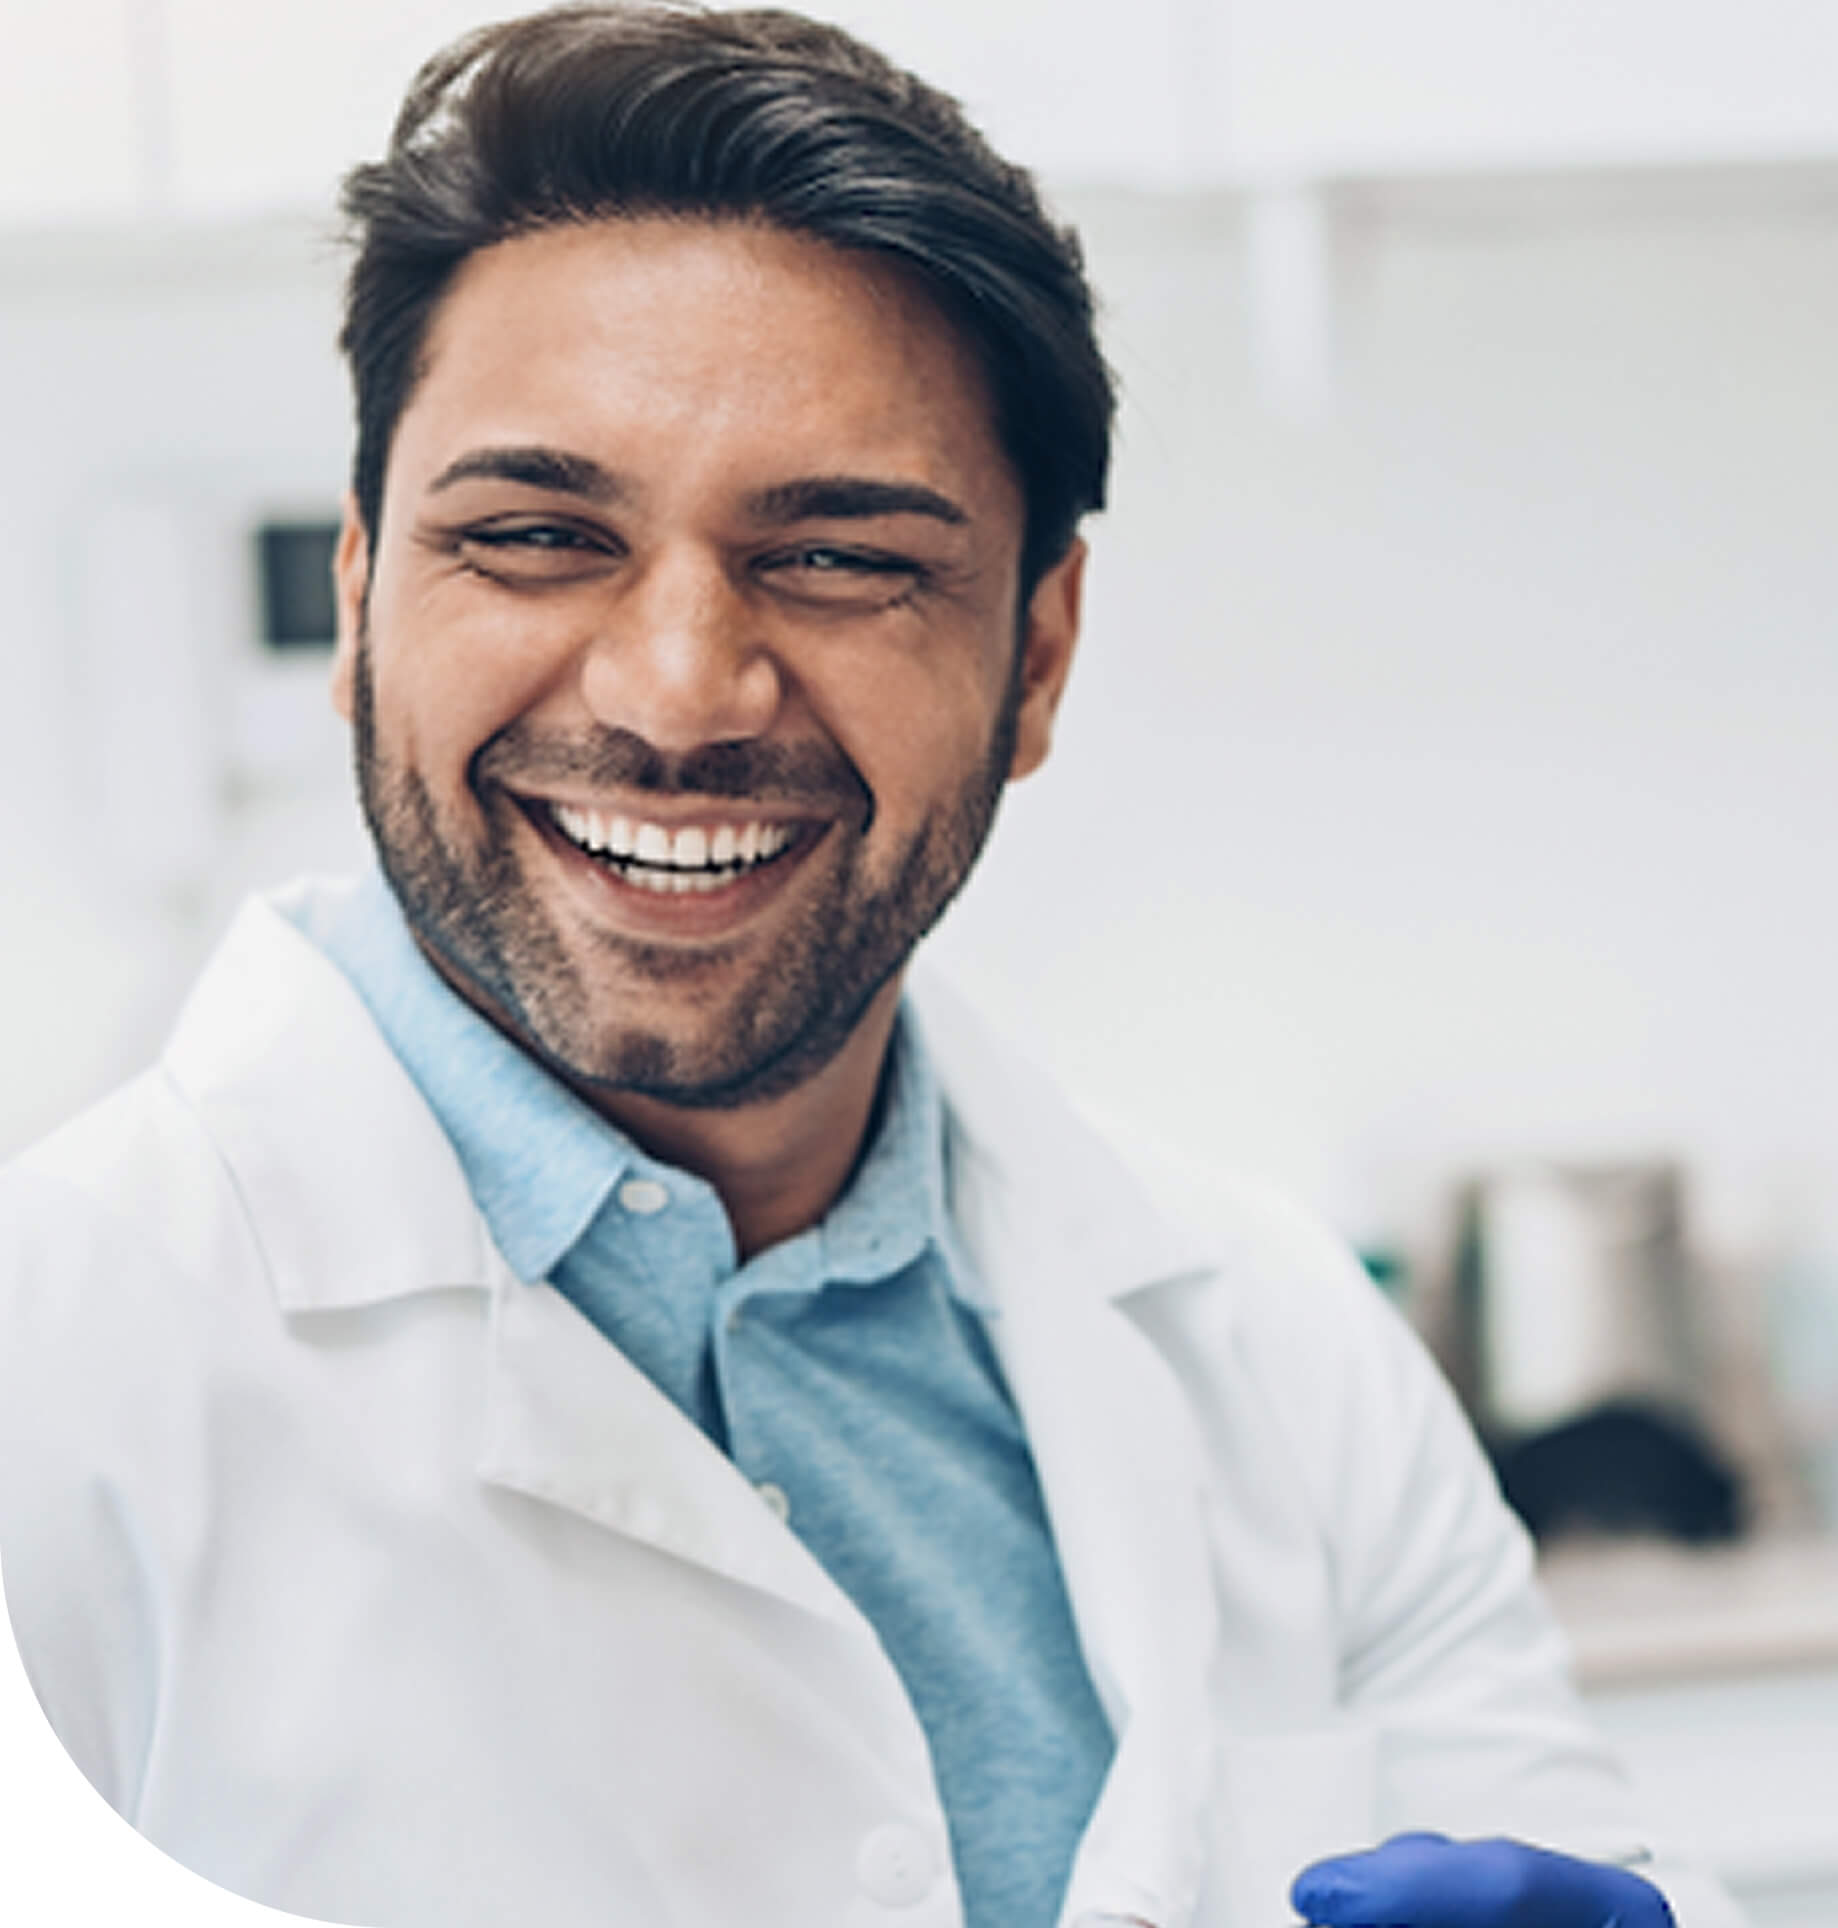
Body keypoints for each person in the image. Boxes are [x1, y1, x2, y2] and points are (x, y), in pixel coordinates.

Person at [0, 7, 1739, 1926]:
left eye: (838, 559)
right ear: (357, 600)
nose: (677, 694)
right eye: (534, 536)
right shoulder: (58, 1382)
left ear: (1041, 658)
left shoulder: (1278, 1355)